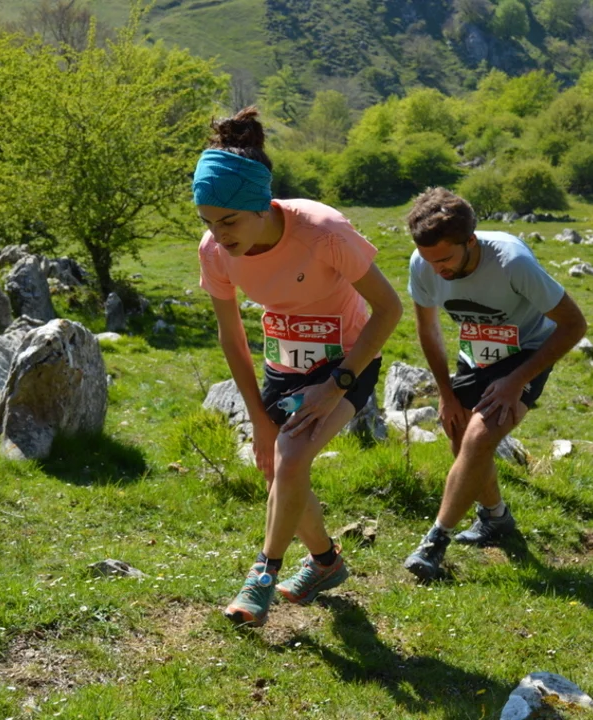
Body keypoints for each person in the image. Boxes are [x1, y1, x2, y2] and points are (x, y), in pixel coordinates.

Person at [195, 108, 402, 625]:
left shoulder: (323, 231)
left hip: (348, 361)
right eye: (208, 222)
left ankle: (262, 575)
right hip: (283, 364)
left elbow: (389, 308)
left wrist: (336, 386)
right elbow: (231, 336)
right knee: (278, 466)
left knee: (290, 457)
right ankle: (326, 563)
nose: (218, 235)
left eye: (228, 221)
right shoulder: (215, 252)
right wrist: (258, 420)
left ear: (260, 205)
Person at [402, 187, 587, 581]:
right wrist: (446, 395)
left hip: (527, 350)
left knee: (478, 438)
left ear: (470, 241)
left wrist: (516, 380)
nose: (437, 270)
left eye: (445, 259)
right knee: (460, 436)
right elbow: (428, 329)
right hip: (476, 351)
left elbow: (575, 325)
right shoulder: (423, 262)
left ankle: (435, 542)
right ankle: (496, 517)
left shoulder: (512, 262)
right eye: (429, 260)